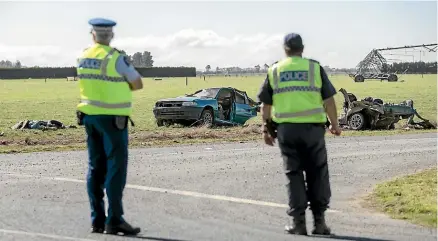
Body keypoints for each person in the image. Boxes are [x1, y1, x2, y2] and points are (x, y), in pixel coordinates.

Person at [257, 33, 342, 236]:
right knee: (318, 173)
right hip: (313, 130)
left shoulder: (275, 70)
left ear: (285, 49)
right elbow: (329, 101)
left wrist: (266, 130)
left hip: (287, 131)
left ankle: (298, 224)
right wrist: (335, 125)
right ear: (302, 49)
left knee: (293, 174)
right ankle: (320, 223)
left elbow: (265, 106)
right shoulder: (314, 68)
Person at [75, 17, 144, 236]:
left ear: (92, 34)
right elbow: (137, 82)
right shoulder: (115, 58)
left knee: (95, 167)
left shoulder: (83, 57)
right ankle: (114, 220)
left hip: (89, 117)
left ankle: (97, 220)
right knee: (116, 168)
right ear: (111, 35)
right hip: (113, 120)